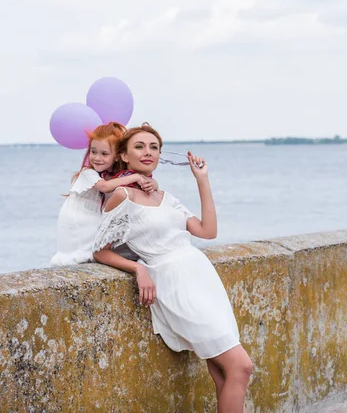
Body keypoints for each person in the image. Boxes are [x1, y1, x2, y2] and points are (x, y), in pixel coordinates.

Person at [93, 123, 253, 413]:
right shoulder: (123, 197)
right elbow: (100, 251)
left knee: (222, 372)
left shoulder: (166, 197)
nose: (148, 152)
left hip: (202, 279)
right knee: (242, 366)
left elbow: (207, 231)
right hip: (174, 283)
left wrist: (201, 179)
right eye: (139, 146)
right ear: (124, 157)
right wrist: (138, 269)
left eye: (154, 147)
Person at [50, 122, 158, 266]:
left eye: (104, 154)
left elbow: (139, 186)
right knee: (81, 251)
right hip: (78, 220)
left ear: (118, 156)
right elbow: (105, 187)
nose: (97, 158)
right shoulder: (88, 173)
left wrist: (154, 184)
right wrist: (136, 177)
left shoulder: (115, 176)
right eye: (93, 152)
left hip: (94, 220)